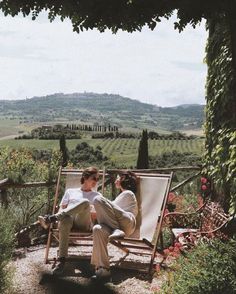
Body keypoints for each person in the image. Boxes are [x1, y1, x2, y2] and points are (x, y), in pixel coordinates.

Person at [38, 166, 101, 275]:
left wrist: (85, 209)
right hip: (68, 221)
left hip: (84, 223)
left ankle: (50, 218)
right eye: (94, 178)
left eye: (97, 179)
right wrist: (70, 211)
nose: (96, 181)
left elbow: (97, 216)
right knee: (66, 219)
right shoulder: (70, 191)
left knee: (85, 202)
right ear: (85, 178)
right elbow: (62, 208)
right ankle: (62, 261)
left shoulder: (97, 195)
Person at [90, 171, 138, 282]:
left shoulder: (128, 193)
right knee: (97, 229)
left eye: (118, 177)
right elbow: (108, 210)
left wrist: (95, 208)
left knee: (97, 199)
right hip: (114, 226)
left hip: (127, 223)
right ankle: (103, 270)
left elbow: (110, 208)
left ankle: (116, 229)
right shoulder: (121, 195)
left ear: (123, 180)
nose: (116, 179)